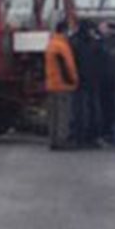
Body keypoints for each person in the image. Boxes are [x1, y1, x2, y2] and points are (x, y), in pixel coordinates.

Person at [45, 20, 79, 150]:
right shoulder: (63, 46)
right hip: (63, 84)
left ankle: (53, 140)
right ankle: (62, 140)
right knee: (63, 114)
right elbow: (69, 65)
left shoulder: (51, 44)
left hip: (51, 83)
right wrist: (74, 80)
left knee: (53, 115)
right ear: (64, 31)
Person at [70, 20, 101, 147]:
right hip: (91, 81)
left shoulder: (73, 42)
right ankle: (91, 137)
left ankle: (79, 136)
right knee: (92, 109)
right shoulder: (94, 44)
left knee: (79, 110)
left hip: (78, 80)